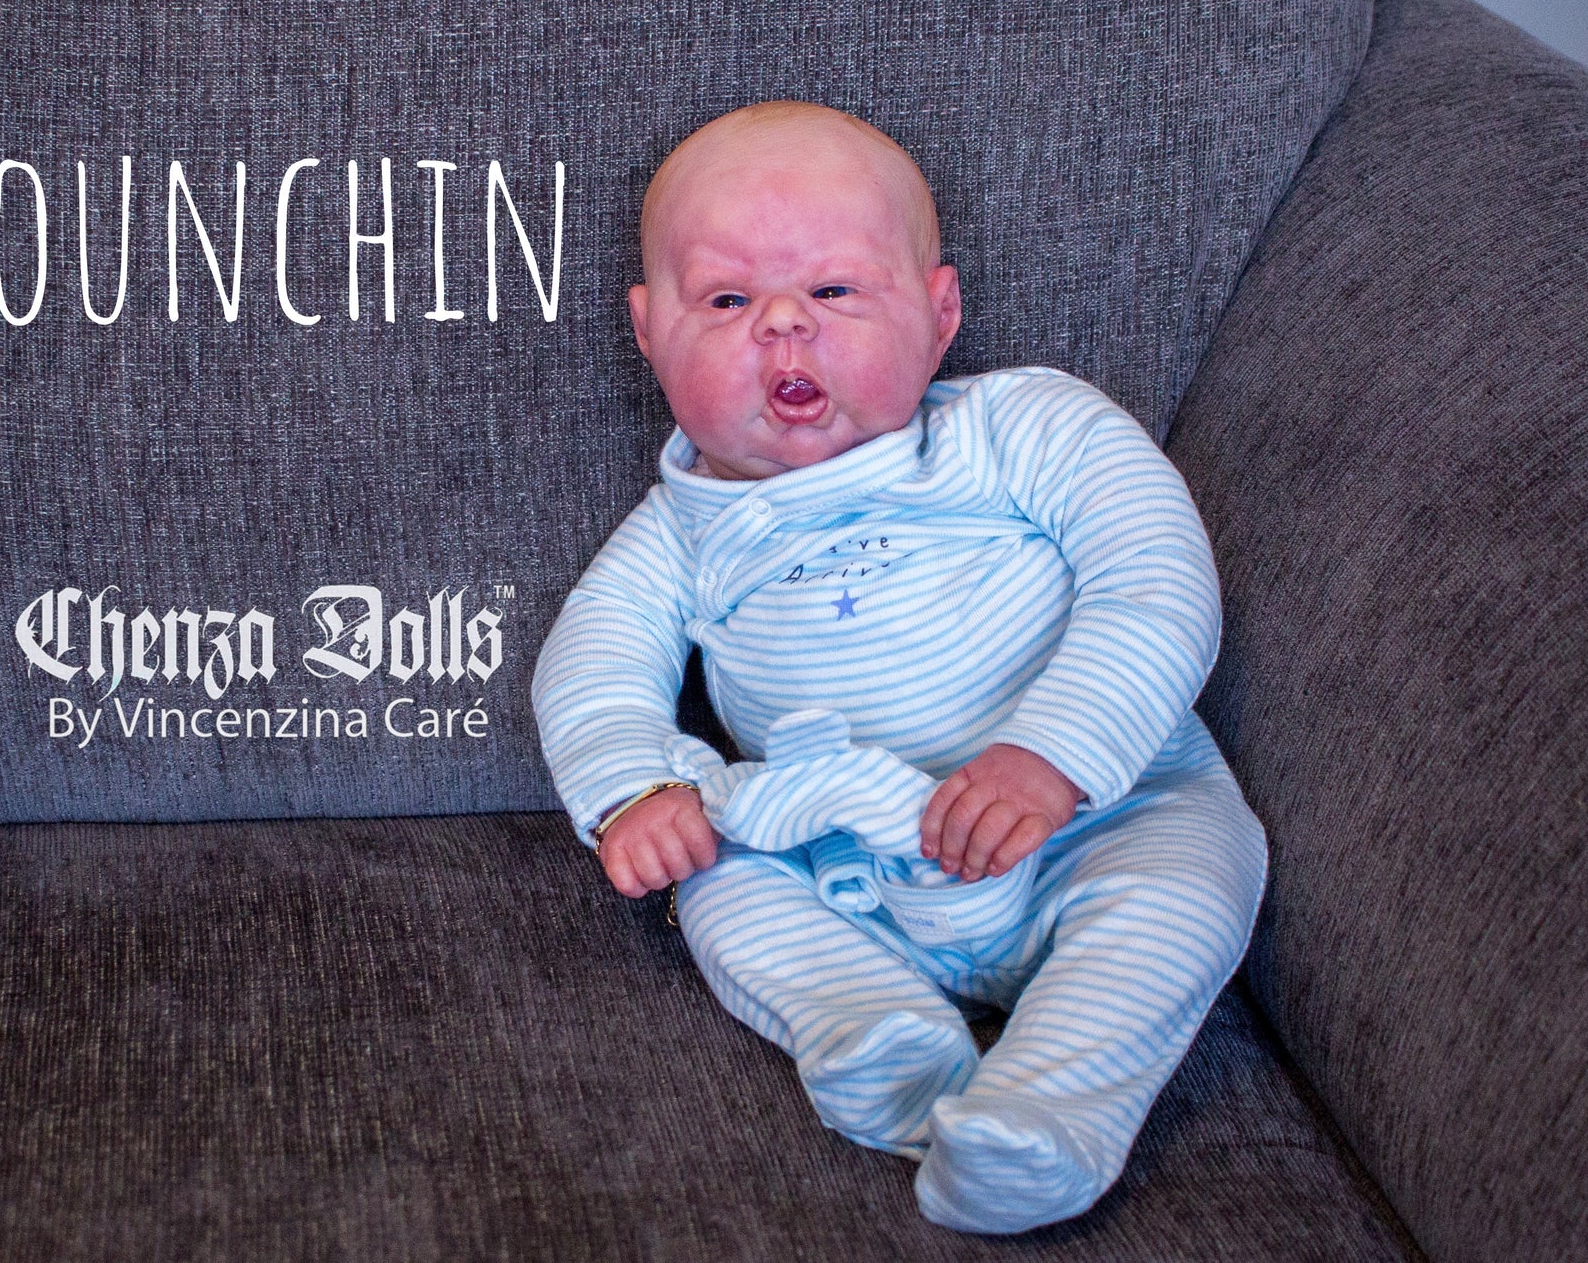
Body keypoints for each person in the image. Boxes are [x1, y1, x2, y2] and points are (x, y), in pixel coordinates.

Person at [530, 100, 1268, 1235]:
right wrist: (637, 787)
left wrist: (1051, 755)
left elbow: (1156, 577)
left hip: (1096, 820)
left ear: (938, 314)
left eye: (833, 291)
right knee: (718, 880)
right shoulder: (678, 533)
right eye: (724, 301)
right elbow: (592, 664)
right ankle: (882, 1038)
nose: (782, 324)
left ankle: (1048, 1111)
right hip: (844, 860)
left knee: (1195, 878)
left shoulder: (1028, 428)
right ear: (647, 331)